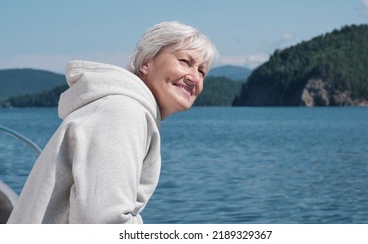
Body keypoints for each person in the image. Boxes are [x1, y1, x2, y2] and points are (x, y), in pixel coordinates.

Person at [7, 21, 218, 224]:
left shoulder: (124, 109)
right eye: (185, 62)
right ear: (146, 63)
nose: (195, 78)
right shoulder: (122, 112)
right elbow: (100, 223)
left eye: (202, 71)